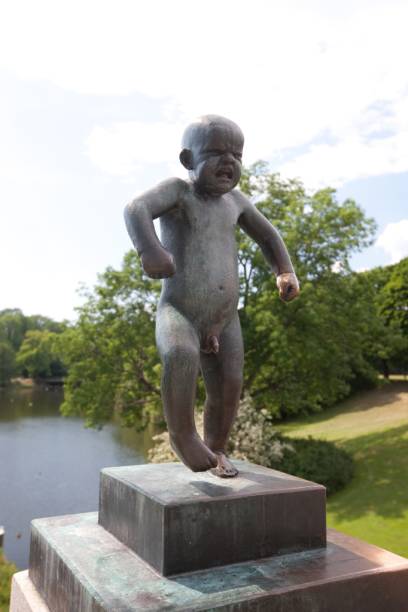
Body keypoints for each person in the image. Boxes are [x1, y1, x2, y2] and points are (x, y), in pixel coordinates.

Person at [124, 115, 299, 477]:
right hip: (180, 312)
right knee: (180, 355)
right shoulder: (178, 192)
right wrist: (150, 250)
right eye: (217, 152)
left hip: (225, 317)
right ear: (188, 160)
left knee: (229, 384)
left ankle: (217, 448)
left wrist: (284, 270)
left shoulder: (236, 202)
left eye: (237, 154)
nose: (229, 162)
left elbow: (268, 236)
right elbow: (135, 209)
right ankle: (183, 435)